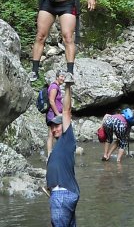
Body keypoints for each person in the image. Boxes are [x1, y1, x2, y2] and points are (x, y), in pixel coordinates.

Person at [46, 73, 78, 226]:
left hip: (61, 195)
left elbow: (66, 111)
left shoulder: (67, 139)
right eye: (52, 127)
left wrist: (67, 86)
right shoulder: (59, 146)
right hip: (62, 194)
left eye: (57, 126)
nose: (54, 129)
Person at [46, 70, 66, 158]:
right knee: (51, 134)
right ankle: (50, 154)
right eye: (61, 76)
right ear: (57, 77)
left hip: (54, 114)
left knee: (56, 133)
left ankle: (57, 152)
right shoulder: (54, 86)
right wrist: (58, 114)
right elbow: (51, 101)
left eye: (64, 77)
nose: (63, 78)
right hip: (53, 114)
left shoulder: (56, 86)